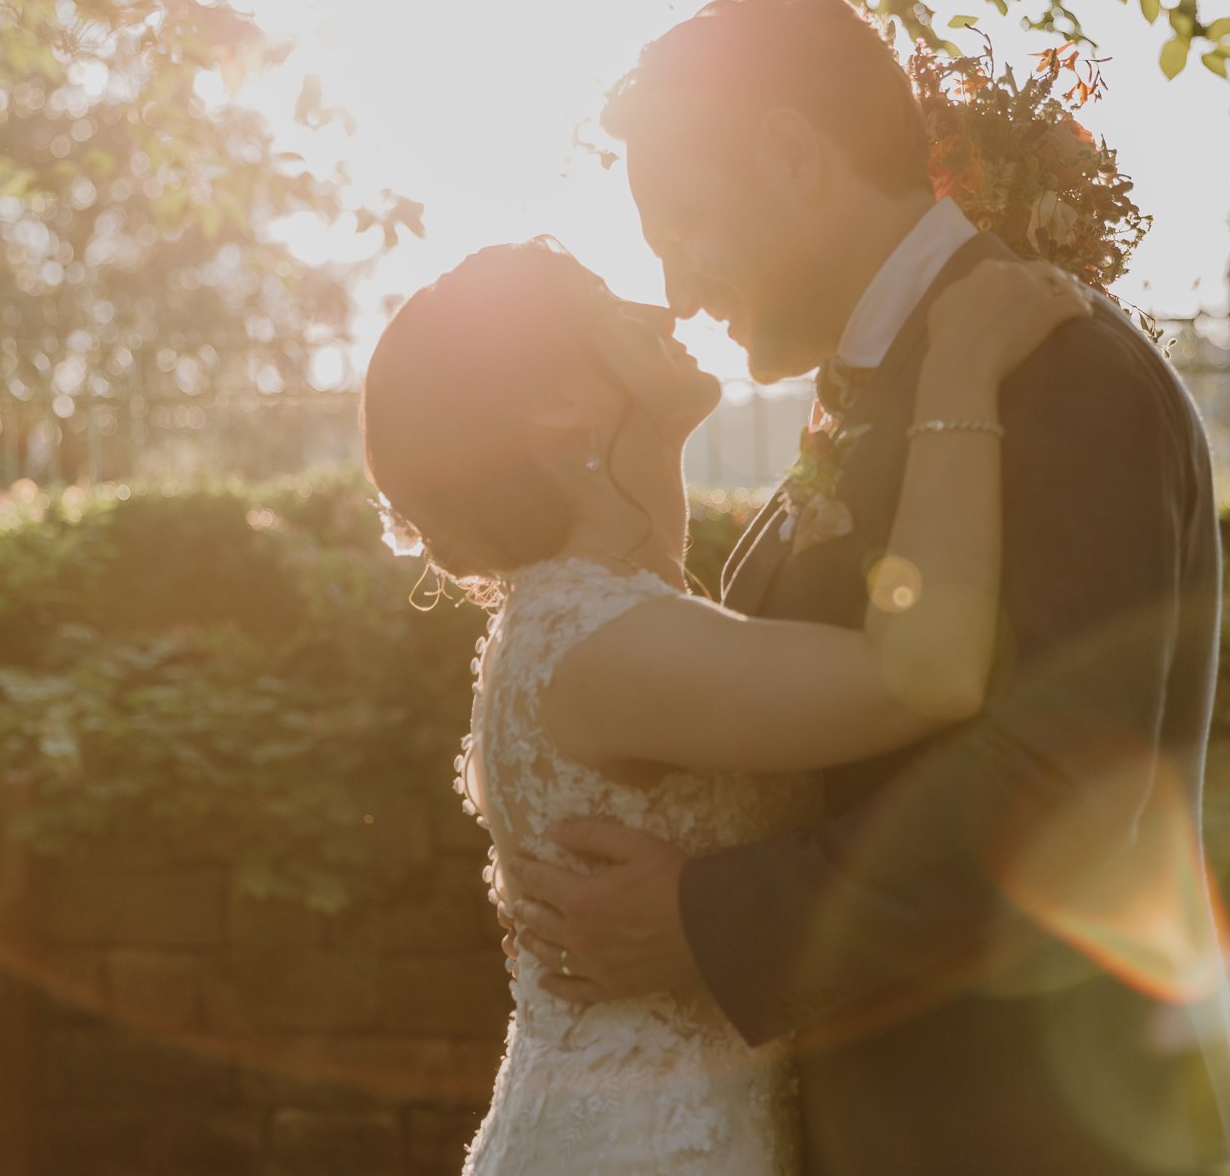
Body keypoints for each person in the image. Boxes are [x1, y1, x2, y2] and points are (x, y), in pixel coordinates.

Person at [505, 0, 1230, 1175]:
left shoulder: (1056, 373)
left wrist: (705, 920)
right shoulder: (887, 386)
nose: (681, 287)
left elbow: (1053, 791)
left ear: (789, 155)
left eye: (680, 227)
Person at [360, 235, 1090, 1174]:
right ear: (558, 405)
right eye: (606, 303)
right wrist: (960, 372)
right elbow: (932, 671)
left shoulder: (600, 616)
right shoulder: (599, 639)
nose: (660, 309)